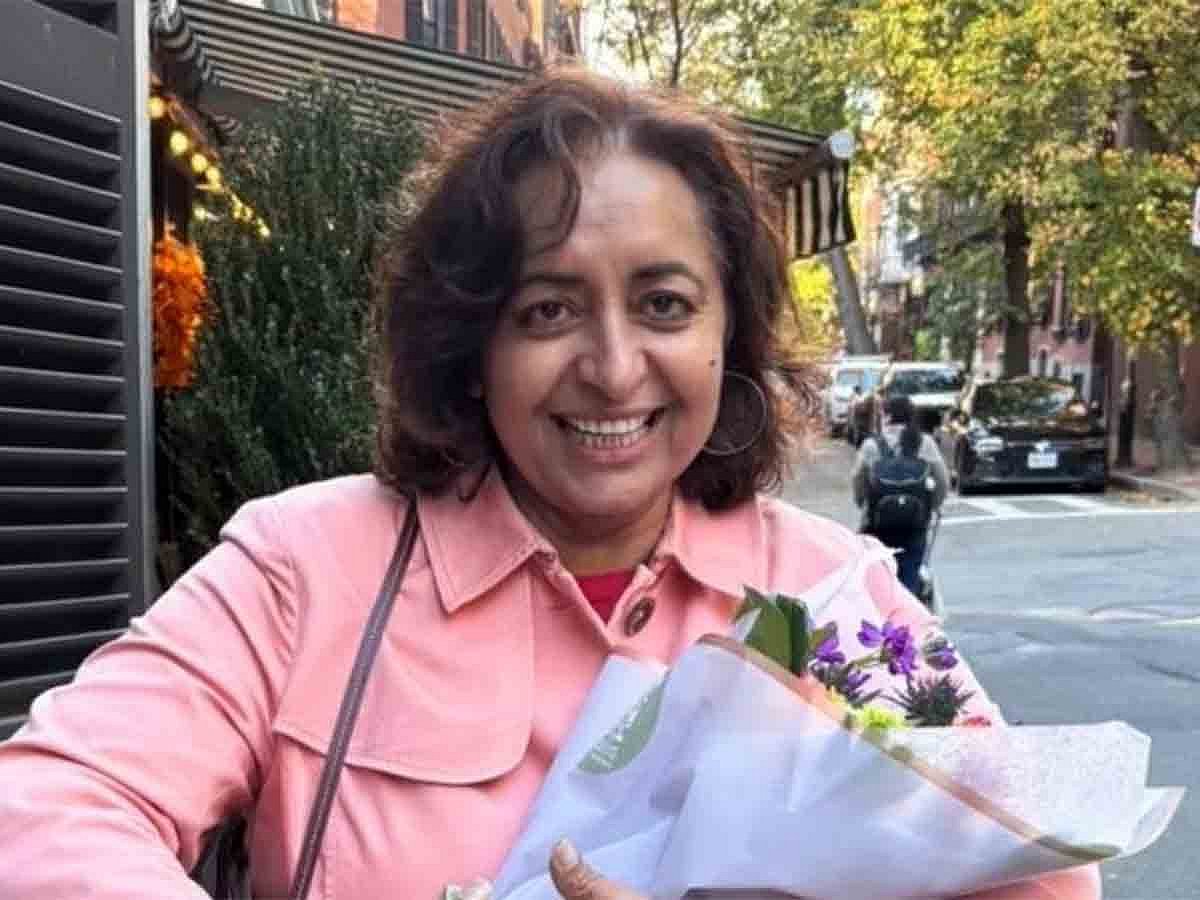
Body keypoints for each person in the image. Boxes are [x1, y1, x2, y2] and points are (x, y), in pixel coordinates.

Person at [0, 70, 1099, 900]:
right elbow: (42, 812)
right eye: (548, 309)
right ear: (472, 342)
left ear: (731, 332)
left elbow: (1042, 871)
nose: (614, 369)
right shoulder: (303, 570)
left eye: (664, 304)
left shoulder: (833, 601)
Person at [852, 394, 949, 598]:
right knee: (909, 579)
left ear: (887, 416)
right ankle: (907, 610)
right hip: (914, 524)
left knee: (878, 580)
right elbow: (942, 480)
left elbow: (858, 480)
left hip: (877, 525)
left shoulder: (872, 445)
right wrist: (932, 505)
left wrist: (864, 504)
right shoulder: (925, 443)